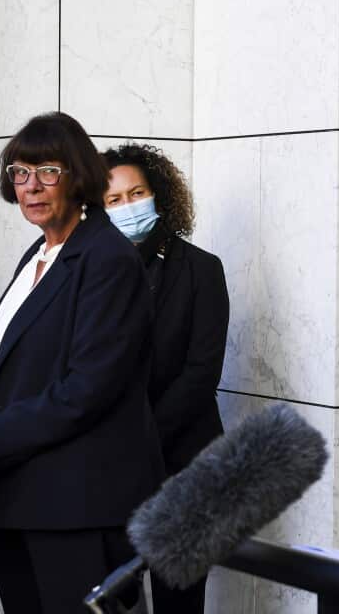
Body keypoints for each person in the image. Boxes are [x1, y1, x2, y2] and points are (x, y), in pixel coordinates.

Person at [0, 112, 163, 613]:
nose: (31, 186)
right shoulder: (40, 253)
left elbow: (86, 391)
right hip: (18, 495)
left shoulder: (107, 257)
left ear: (79, 177)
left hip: (76, 504)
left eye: (48, 171)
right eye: (20, 172)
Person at [102, 142, 229, 613]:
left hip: (183, 461)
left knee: (181, 600)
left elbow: (202, 372)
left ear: (158, 194)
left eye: (137, 193)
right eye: (114, 199)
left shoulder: (201, 269)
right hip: (107, 467)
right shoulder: (90, 270)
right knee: (114, 596)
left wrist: (141, 436)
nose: (127, 206)